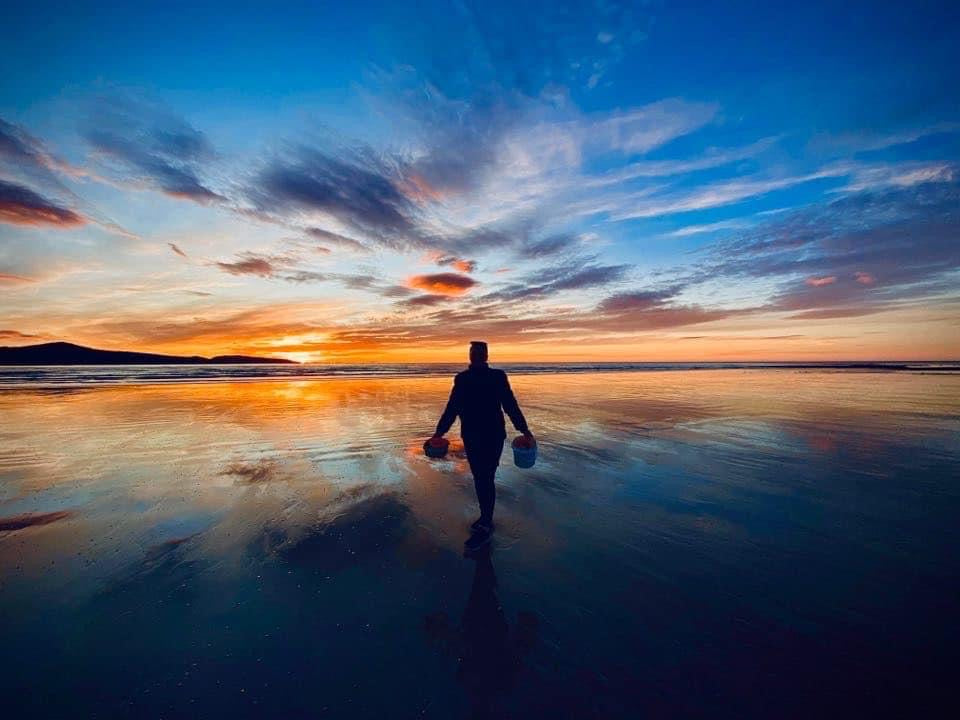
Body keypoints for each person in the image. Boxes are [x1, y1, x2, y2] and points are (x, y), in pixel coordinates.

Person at [431, 340, 533, 550]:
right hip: (474, 436)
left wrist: (524, 430)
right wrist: (439, 433)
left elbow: (510, 405)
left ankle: (486, 521)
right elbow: (452, 408)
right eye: (474, 351)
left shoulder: (496, 377)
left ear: (484, 355)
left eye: (478, 352)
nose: (476, 355)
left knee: (485, 477)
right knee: (482, 477)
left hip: (492, 435)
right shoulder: (463, 379)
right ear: (471, 355)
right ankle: (486, 518)